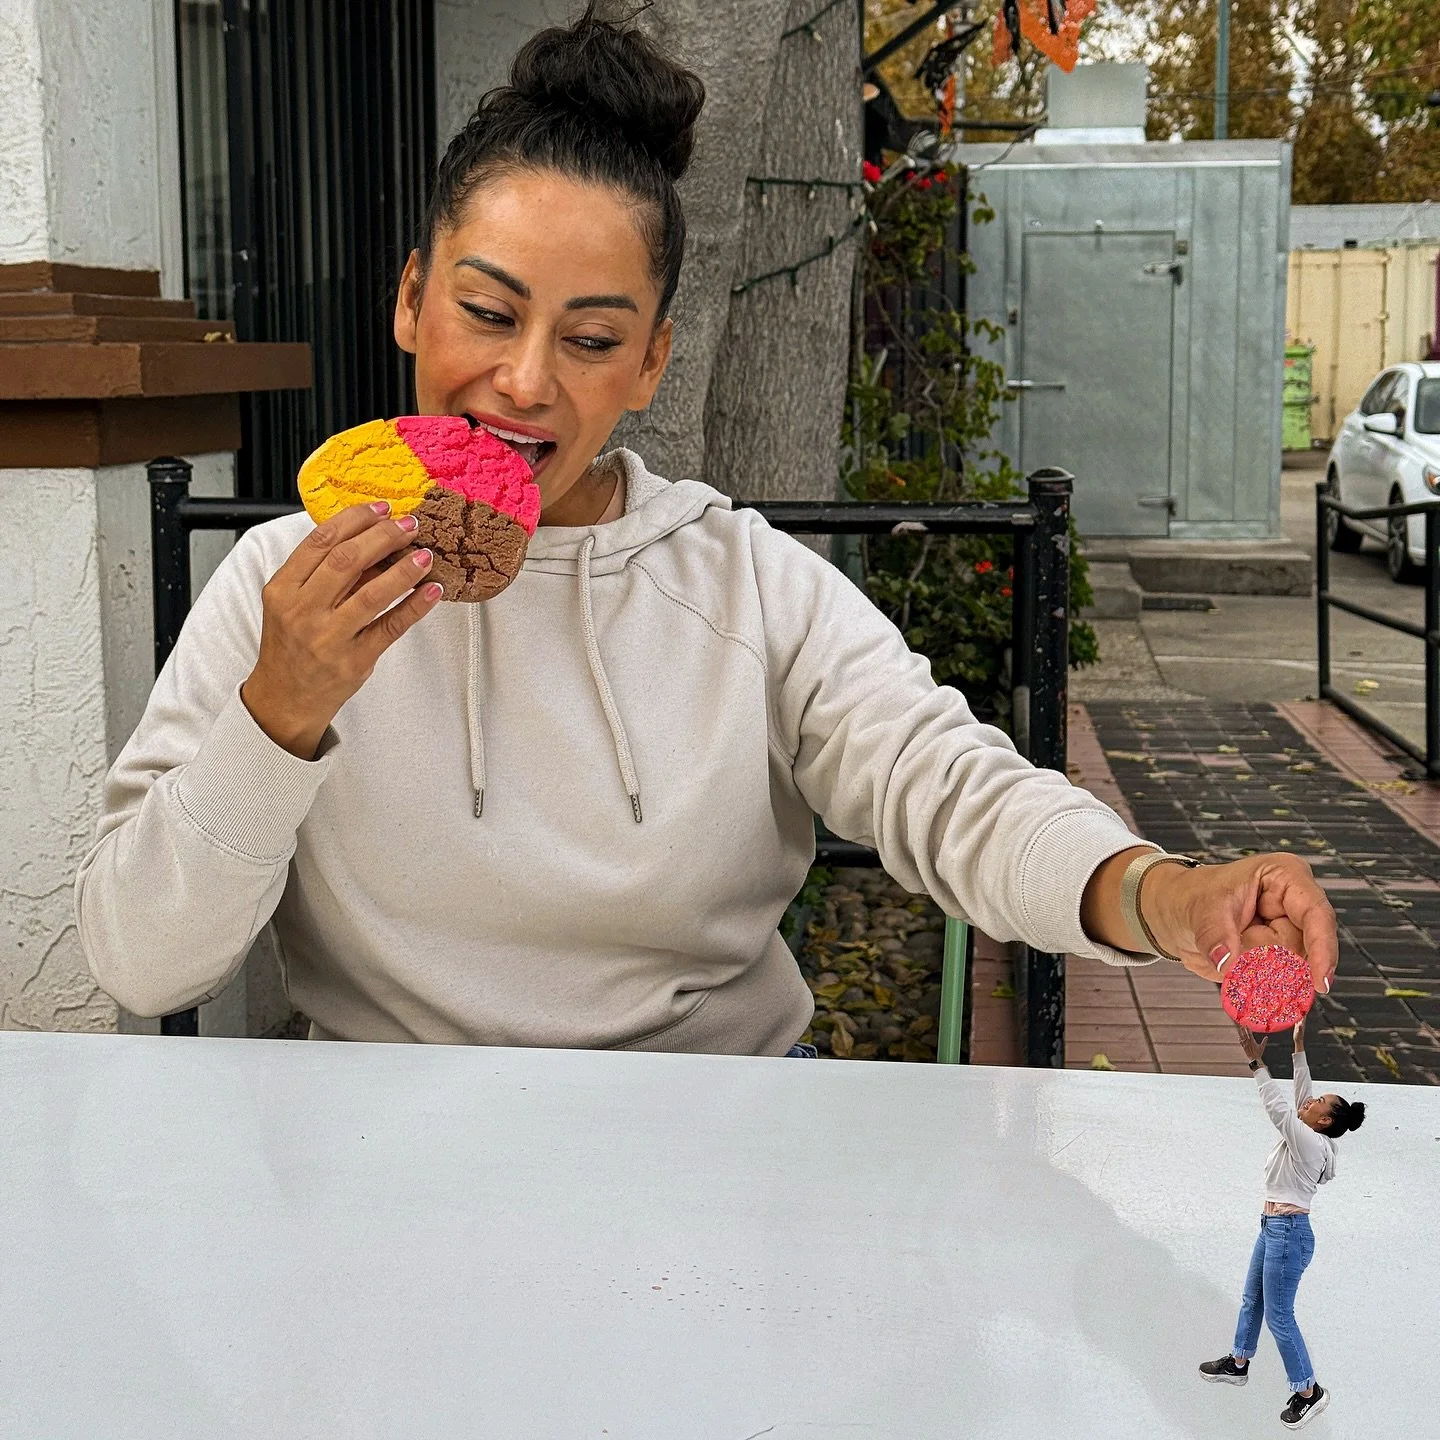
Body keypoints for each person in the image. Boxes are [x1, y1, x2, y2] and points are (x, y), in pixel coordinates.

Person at [74, 4, 1339, 1052]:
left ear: (652, 364)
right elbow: (143, 959)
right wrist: (276, 714)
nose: (524, 382)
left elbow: (948, 789)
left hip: (720, 1158)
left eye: (591, 339)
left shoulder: (744, 587)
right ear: (411, 302)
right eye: (485, 311)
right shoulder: (283, 583)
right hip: (379, 1177)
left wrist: (1161, 892)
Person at [1199, 1017, 1366, 1430]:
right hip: (1274, 1228)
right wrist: (1298, 1046)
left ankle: (1309, 1391)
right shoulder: (1314, 1134)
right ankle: (1238, 1362)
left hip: (1288, 1236)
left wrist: (1257, 1063)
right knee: (1251, 1299)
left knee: (1279, 1314)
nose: (1306, 1103)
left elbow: (1278, 1107)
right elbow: (1301, 1094)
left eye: (1315, 1105)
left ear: (1323, 1121)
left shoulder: (1307, 1140)